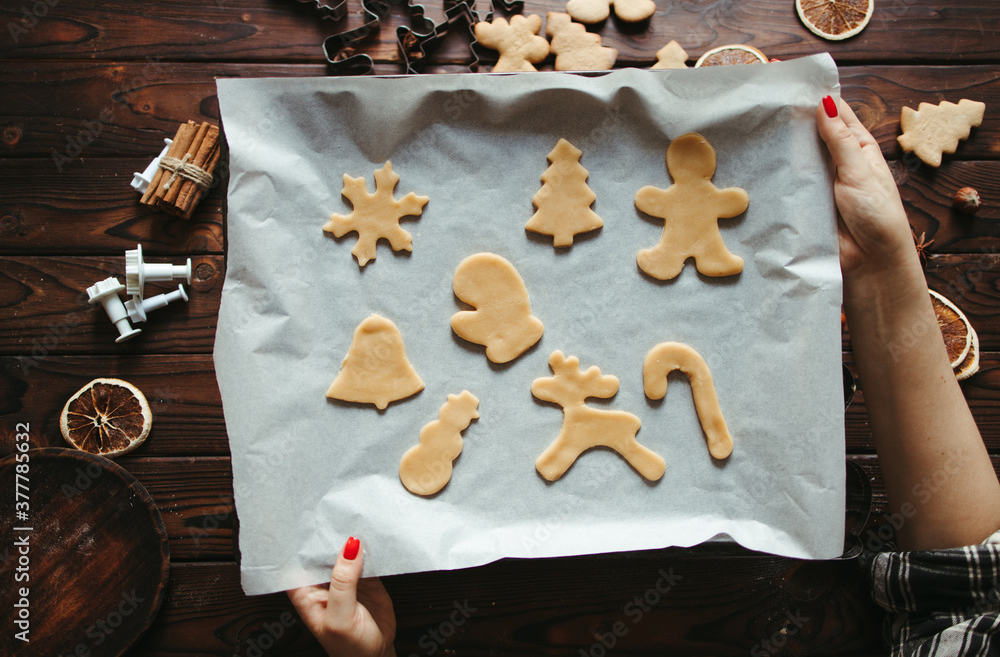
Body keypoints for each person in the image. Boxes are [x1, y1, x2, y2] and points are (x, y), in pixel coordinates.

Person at [287, 97, 1000, 656]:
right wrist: (884, 269)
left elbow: (962, 594)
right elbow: (970, 584)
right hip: (610, 353)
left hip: (659, 301)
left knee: (624, 415)